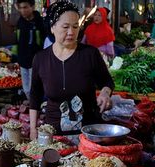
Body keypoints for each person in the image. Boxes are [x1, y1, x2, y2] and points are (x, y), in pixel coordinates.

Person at [29, 0, 114, 140]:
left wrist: (105, 93)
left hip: (88, 134)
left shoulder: (90, 54)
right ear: (52, 27)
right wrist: (33, 130)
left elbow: (107, 81)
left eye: (75, 26)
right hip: (53, 135)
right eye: (65, 27)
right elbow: (35, 96)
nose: (71, 32)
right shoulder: (40, 59)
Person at [15, 0, 45, 100]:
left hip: (36, 61)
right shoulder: (20, 22)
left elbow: (44, 42)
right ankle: (31, 107)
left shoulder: (40, 22)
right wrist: (14, 59)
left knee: (35, 88)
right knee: (26, 89)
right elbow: (17, 41)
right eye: (21, 8)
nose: (23, 10)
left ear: (32, 7)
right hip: (23, 61)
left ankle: (36, 108)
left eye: (25, 7)